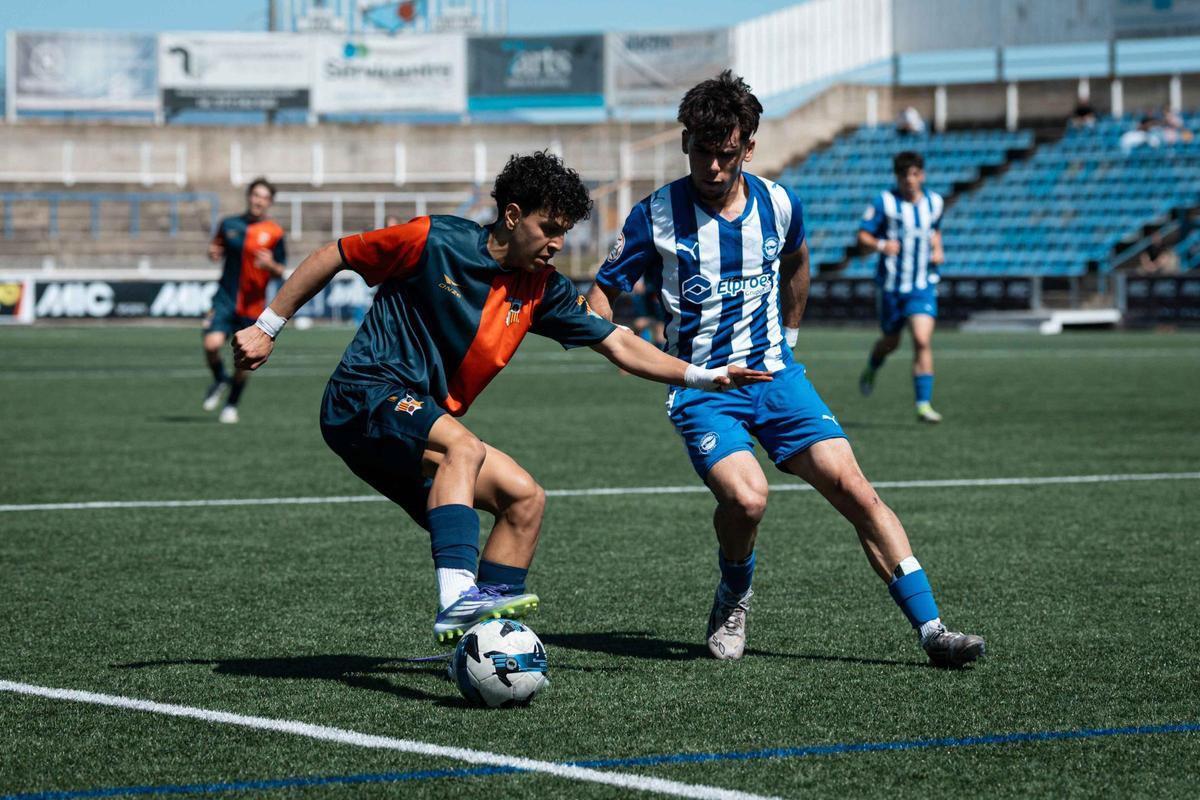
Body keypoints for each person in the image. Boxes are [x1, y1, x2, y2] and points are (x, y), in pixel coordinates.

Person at [233, 152, 769, 643]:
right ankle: (457, 601)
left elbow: (619, 345)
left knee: (525, 499)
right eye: (549, 228)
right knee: (462, 448)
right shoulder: (433, 239)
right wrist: (267, 326)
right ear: (512, 216)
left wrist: (702, 377)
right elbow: (337, 253)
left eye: (565, 231)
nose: (557, 242)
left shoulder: (543, 289)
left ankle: (487, 646)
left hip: (417, 419)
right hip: (363, 395)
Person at [587, 71, 984, 668]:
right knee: (748, 501)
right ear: (685, 143)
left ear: (748, 147)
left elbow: (798, 261)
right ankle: (735, 591)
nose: (713, 168)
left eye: (726, 155)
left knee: (856, 490)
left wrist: (790, 335)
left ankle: (932, 630)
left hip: (778, 379)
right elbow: (601, 295)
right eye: (701, 152)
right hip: (704, 391)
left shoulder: (778, 204)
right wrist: (629, 352)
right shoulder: (656, 216)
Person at [857, 151, 946, 424]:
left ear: (922, 174)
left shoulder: (934, 202)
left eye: (915, 174)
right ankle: (873, 364)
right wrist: (882, 245)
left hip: (922, 285)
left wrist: (938, 248)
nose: (910, 179)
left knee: (922, 339)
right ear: (897, 177)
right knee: (891, 342)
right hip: (892, 287)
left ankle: (923, 404)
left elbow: (935, 230)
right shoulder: (884, 202)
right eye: (904, 175)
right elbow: (863, 237)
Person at [203, 178, 287, 424]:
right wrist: (212, 252)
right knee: (211, 345)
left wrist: (271, 265)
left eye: (264, 197)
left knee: (243, 361)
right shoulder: (228, 224)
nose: (258, 200)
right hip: (225, 298)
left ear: (269, 202)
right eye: (255, 195)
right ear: (249, 196)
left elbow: (280, 270)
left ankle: (231, 404)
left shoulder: (274, 232)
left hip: (253, 305)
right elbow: (215, 249)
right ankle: (220, 379)